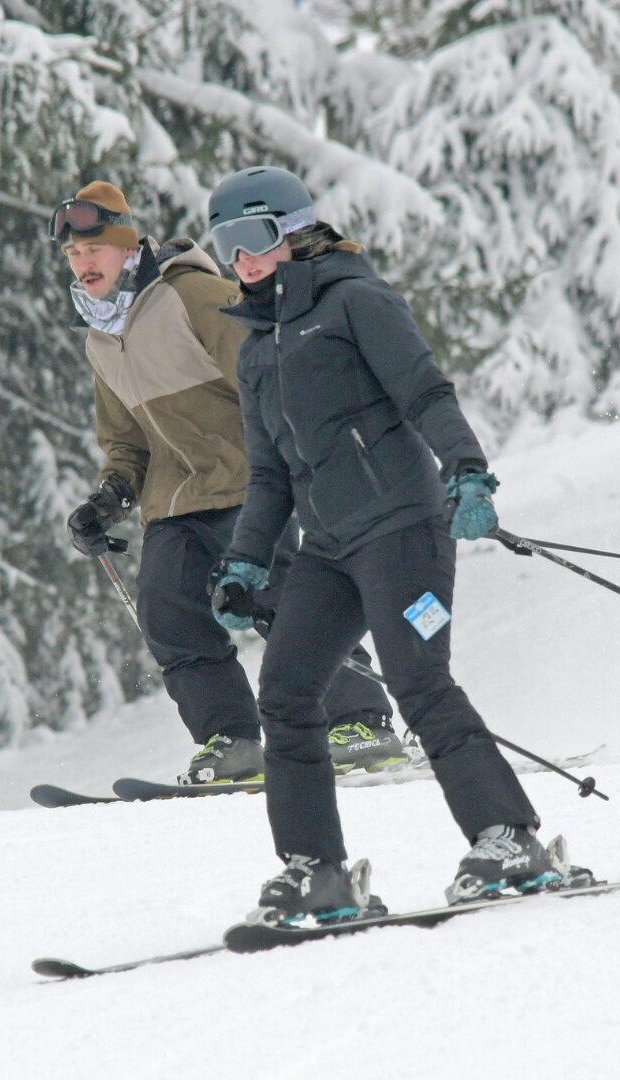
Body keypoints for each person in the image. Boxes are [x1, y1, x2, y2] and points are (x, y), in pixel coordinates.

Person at [202, 166, 590, 924]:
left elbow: (425, 393)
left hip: (403, 529)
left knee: (418, 681)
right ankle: (316, 870)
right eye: (226, 245)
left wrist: (467, 473)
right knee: (283, 692)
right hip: (328, 548)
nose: (241, 259)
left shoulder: (356, 301)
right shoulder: (256, 352)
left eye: (253, 238)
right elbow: (271, 476)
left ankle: (508, 838)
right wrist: (246, 560)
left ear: (293, 230)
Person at [52, 180, 400, 784]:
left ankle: (362, 721)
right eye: (74, 256)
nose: (84, 265)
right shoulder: (100, 335)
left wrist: (315, 453)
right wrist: (110, 496)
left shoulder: (190, 296)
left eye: (94, 251)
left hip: (252, 484)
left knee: (288, 605)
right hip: (174, 501)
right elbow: (126, 439)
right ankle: (231, 740)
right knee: (169, 617)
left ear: (127, 246)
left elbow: (272, 369)